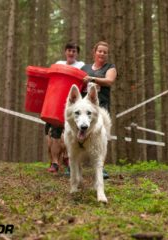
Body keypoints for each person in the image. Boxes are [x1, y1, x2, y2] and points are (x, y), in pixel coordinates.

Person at [46, 42, 85, 174]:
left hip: (74, 106)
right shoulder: (59, 64)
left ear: (77, 53)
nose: (71, 53)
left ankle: (70, 161)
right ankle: (55, 163)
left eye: (74, 51)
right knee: (55, 135)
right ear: (65, 52)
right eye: (69, 50)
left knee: (72, 134)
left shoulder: (81, 66)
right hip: (57, 105)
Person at [81, 41, 117, 179]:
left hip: (101, 107)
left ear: (107, 55)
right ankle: (74, 166)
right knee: (80, 134)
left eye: (105, 52)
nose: (102, 53)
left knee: (102, 136)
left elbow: (109, 81)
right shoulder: (85, 67)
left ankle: (101, 168)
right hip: (85, 108)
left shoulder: (110, 67)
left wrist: (92, 79)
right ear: (94, 52)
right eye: (99, 51)